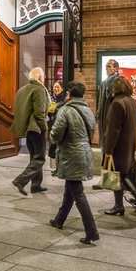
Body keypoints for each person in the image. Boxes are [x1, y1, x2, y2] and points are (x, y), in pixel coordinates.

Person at [49, 81, 99, 244]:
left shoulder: (66, 110)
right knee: (70, 189)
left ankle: (91, 231)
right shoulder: (88, 110)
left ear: (69, 94)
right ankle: (59, 219)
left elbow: (56, 133)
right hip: (84, 152)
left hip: (71, 153)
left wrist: (53, 139)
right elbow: (91, 132)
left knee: (77, 192)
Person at [103, 76, 136, 216]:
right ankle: (135, 199)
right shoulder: (133, 102)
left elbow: (113, 129)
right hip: (129, 144)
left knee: (116, 175)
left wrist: (108, 149)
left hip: (119, 146)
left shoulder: (117, 103)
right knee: (123, 174)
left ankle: (119, 205)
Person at [10, 67, 50, 196]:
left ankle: (36, 185)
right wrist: (45, 127)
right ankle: (21, 180)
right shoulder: (39, 89)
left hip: (28, 129)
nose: (44, 78)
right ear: (39, 77)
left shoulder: (22, 89)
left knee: (34, 157)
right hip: (36, 128)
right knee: (40, 158)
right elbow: (40, 112)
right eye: (43, 75)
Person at [93, 59, 120, 190]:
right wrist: (98, 114)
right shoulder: (104, 83)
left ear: (116, 69)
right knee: (105, 149)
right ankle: (105, 178)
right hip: (103, 121)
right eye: (106, 66)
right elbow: (100, 101)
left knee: (111, 150)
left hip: (112, 122)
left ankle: (109, 179)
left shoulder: (118, 83)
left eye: (109, 66)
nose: (106, 68)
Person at [47, 81, 65, 176]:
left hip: (60, 126)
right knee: (55, 149)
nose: (56, 89)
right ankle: (57, 169)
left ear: (62, 88)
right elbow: (50, 112)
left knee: (60, 149)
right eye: (54, 87)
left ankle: (60, 169)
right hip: (52, 125)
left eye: (58, 87)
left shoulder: (64, 99)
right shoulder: (52, 99)